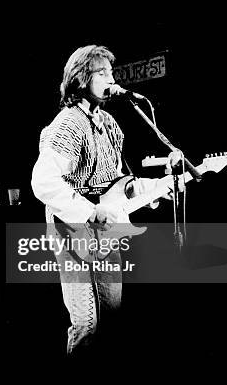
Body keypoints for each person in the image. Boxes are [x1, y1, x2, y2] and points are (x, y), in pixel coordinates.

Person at [30, 45, 173, 358]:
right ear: (81, 79)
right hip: (74, 230)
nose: (111, 78)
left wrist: (151, 188)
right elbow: (43, 183)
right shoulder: (68, 124)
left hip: (106, 232)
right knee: (87, 323)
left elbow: (116, 181)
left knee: (112, 315)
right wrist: (90, 211)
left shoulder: (109, 123)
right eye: (102, 73)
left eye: (111, 72)